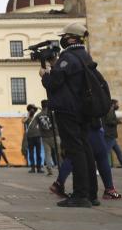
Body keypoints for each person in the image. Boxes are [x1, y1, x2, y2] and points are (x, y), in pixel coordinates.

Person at [40, 21, 99, 207]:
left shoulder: (68, 58)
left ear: (71, 38)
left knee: (75, 150)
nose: (62, 41)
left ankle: (80, 195)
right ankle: (91, 193)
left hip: (68, 110)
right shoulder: (84, 56)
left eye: (64, 37)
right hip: (83, 110)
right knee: (85, 149)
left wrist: (45, 74)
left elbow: (54, 83)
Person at [36, 100, 58, 176]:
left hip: (45, 137)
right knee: (59, 152)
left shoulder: (38, 115)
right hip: (55, 135)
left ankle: (49, 170)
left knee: (47, 154)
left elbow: (37, 126)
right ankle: (62, 168)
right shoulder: (53, 113)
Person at [23, 104, 44, 173]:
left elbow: (43, 112)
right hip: (30, 137)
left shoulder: (37, 116)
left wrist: (37, 107)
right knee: (31, 153)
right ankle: (32, 168)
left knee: (38, 153)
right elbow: (23, 121)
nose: (32, 111)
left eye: (33, 110)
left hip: (37, 136)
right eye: (31, 109)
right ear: (29, 111)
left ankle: (39, 168)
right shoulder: (27, 117)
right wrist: (28, 115)